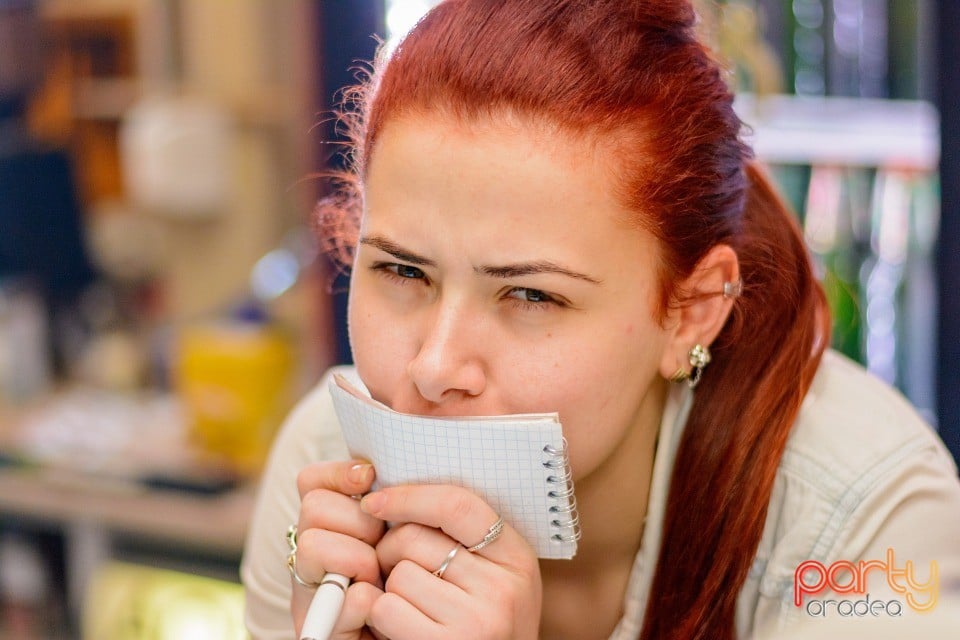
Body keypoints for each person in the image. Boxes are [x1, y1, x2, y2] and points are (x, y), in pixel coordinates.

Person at [241, 1, 960, 638]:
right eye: (402, 271)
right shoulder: (324, 458)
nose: (432, 368)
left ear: (692, 313)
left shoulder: (864, 511)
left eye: (531, 295)